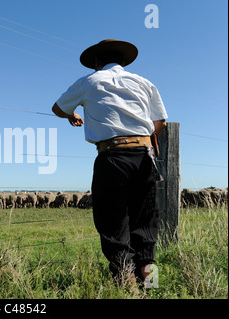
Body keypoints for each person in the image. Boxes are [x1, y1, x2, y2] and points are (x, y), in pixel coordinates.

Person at [52, 39, 168, 286]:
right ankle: (150, 284)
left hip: (111, 157)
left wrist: (72, 114)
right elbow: (161, 123)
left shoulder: (88, 82)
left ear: (96, 63)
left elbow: (57, 108)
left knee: (113, 223)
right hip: (144, 156)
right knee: (146, 223)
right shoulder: (144, 82)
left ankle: (125, 284)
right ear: (124, 62)